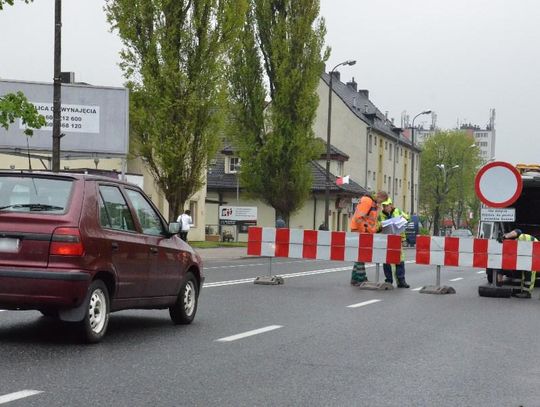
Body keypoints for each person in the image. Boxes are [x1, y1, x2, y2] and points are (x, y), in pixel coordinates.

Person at [349, 191, 383, 285]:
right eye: (381, 201)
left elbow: (370, 220)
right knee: (361, 255)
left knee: (360, 255)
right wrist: (365, 230)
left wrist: (374, 229)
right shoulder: (367, 201)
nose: (381, 203)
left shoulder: (373, 203)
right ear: (378, 197)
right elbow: (359, 218)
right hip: (360, 230)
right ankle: (360, 278)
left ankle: (356, 278)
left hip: (364, 231)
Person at [494, 228, 538, 298]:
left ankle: (527, 292)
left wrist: (505, 237)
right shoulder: (509, 247)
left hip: (534, 249)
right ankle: (517, 291)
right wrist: (499, 283)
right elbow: (501, 267)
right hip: (526, 251)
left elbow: (517, 231)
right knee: (516, 270)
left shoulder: (512, 236)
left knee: (528, 271)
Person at [378, 197, 410, 288]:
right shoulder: (381, 215)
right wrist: (381, 226)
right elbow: (377, 227)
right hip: (386, 239)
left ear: (391, 205)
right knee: (387, 261)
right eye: (383, 206)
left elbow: (408, 219)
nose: (385, 208)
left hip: (398, 238)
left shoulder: (398, 211)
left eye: (387, 205)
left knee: (400, 260)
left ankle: (401, 281)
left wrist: (403, 219)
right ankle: (388, 281)